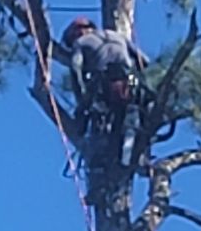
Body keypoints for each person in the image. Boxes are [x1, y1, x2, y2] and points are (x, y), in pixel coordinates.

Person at [58, 17, 148, 155]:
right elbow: (144, 61)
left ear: (76, 33)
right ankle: (140, 146)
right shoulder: (117, 35)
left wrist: (82, 100)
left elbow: (76, 67)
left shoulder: (81, 42)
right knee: (136, 100)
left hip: (105, 82)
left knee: (96, 113)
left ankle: (100, 152)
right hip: (129, 79)